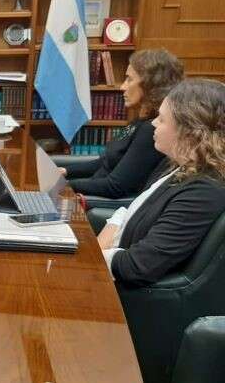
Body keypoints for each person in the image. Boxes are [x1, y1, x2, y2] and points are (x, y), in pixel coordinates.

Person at [99, 79, 225, 286]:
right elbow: (132, 210)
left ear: (189, 132)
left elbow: (139, 265)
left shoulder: (204, 191)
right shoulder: (179, 165)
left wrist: (91, 257)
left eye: (162, 119)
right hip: (110, 265)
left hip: (121, 294)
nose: (153, 123)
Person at [62, 49, 183, 199]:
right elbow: (107, 162)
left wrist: (65, 185)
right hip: (92, 191)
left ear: (150, 85)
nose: (122, 87)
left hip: (99, 202)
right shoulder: (139, 122)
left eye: (129, 79)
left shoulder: (151, 131)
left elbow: (115, 187)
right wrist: (66, 171)